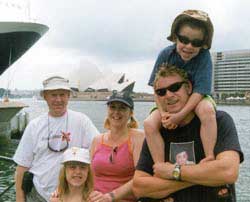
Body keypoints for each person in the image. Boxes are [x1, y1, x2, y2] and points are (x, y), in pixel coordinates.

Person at [133, 66, 244, 201]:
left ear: (189, 88)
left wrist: (173, 172)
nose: (168, 95)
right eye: (161, 92)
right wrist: (207, 176)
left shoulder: (218, 120)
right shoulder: (157, 130)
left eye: (175, 87)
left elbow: (228, 171)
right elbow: (139, 187)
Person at [144, 9, 216, 164]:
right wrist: (163, 113)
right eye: (184, 40)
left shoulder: (204, 57)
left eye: (196, 43)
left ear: (203, 44)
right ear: (176, 37)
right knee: (149, 124)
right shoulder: (165, 54)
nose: (189, 46)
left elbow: (200, 91)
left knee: (207, 110)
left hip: (196, 98)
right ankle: (159, 164)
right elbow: (156, 88)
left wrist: (179, 115)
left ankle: (209, 155)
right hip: (169, 101)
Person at [13, 76, 99, 202]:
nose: (58, 99)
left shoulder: (82, 121)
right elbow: (22, 166)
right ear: (45, 96)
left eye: (62, 94)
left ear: (69, 96)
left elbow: (99, 149)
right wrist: (20, 198)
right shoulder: (34, 126)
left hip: (73, 196)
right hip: (38, 194)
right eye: (53, 95)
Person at [88, 90, 144, 202]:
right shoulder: (97, 140)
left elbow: (140, 178)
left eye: (122, 108)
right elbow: (88, 176)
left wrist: (110, 197)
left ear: (131, 113)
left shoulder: (138, 138)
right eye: (112, 107)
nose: (116, 112)